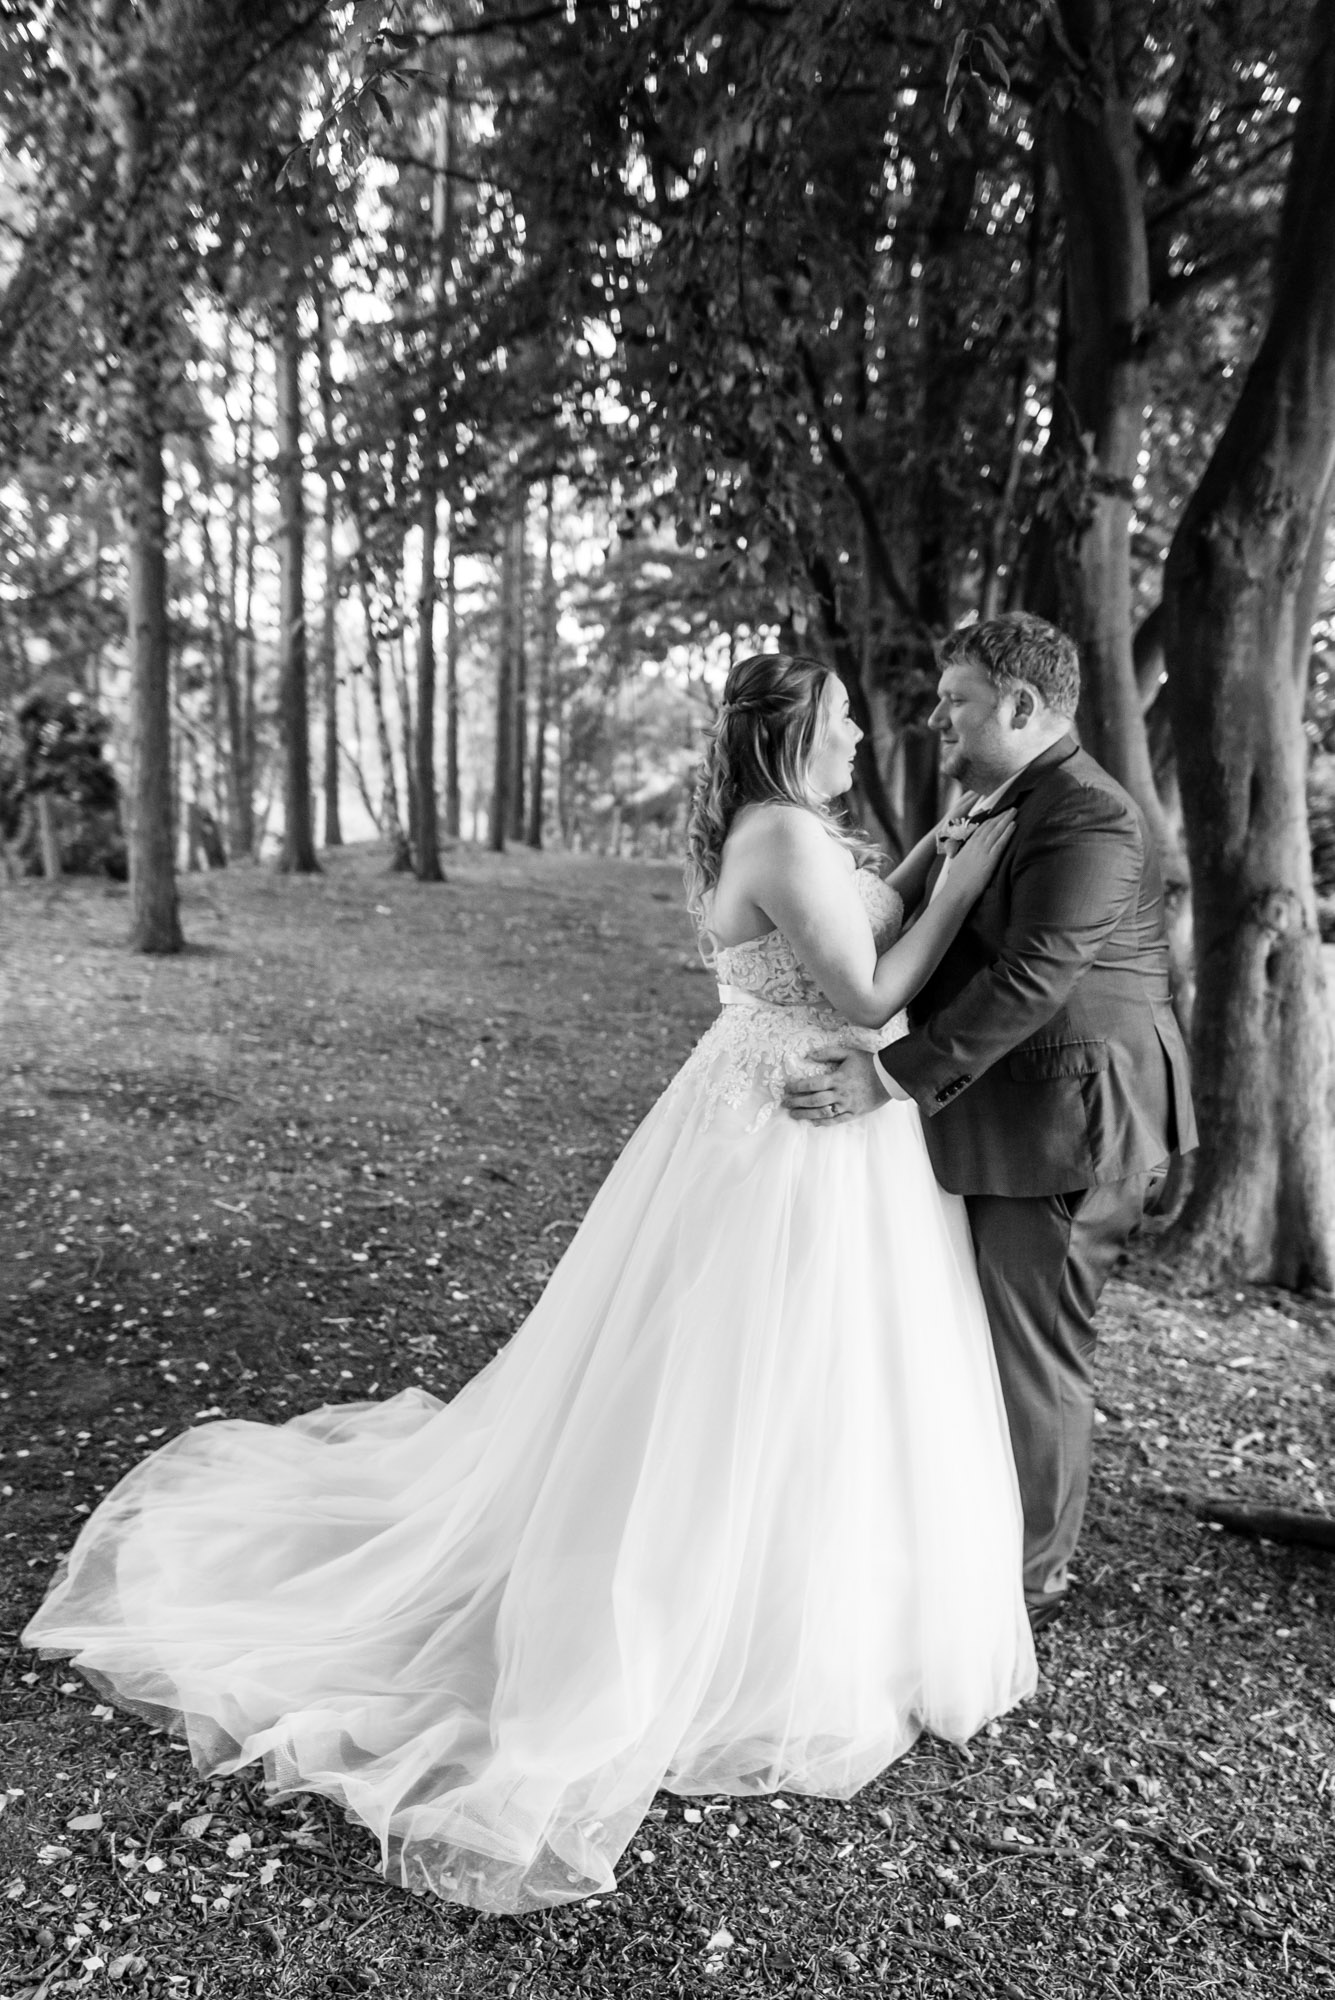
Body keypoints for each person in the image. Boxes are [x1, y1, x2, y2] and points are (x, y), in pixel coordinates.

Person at [22, 653, 1035, 1916]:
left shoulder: (794, 826)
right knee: (751, 1368)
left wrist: (934, 856)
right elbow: (874, 983)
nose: (856, 740)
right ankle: (706, 1616)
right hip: (786, 1135)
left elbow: (862, 907)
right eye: (838, 722)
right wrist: (970, 883)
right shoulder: (779, 830)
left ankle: (810, 1600)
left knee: (824, 1377)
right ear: (791, 735)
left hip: (816, 1122)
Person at [787, 614, 1197, 1630]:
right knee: (984, 1339)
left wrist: (888, 1077)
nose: (936, 717)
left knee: (1034, 1353)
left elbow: (1034, 976)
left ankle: (1029, 1581)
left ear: (1019, 704)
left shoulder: (1091, 815)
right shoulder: (997, 797)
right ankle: (983, 1542)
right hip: (1007, 1118)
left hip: (1071, 1128)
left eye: (955, 698)